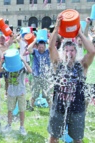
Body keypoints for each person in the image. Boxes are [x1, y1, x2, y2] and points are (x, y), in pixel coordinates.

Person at [48, 14, 95, 143]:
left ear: (76, 51)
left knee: (77, 139)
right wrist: (57, 27)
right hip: (59, 107)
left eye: (72, 50)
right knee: (53, 138)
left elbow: (92, 51)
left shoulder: (82, 65)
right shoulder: (58, 64)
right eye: (67, 50)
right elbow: (51, 47)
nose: (69, 53)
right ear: (63, 52)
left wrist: (79, 32)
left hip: (77, 108)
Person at [0, 50, 32, 135]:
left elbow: (30, 71)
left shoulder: (22, 67)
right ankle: (9, 125)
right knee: (10, 109)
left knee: (22, 110)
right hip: (11, 91)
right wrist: (2, 60)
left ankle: (22, 127)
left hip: (21, 92)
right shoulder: (8, 67)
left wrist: (23, 60)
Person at [27, 39, 51, 111]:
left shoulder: (47, 52)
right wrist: (35, 40)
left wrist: (48, 41)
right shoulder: (35, 52)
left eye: (42, 47)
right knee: (34, 93)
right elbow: (29, 48)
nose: (41, 49)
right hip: (36, 76)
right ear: (37, 47)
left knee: (47, 94)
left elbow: (53, 48)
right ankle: (31, 106)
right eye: (39, 47)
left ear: (45, 47)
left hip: (45, 76)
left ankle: (51, 109)